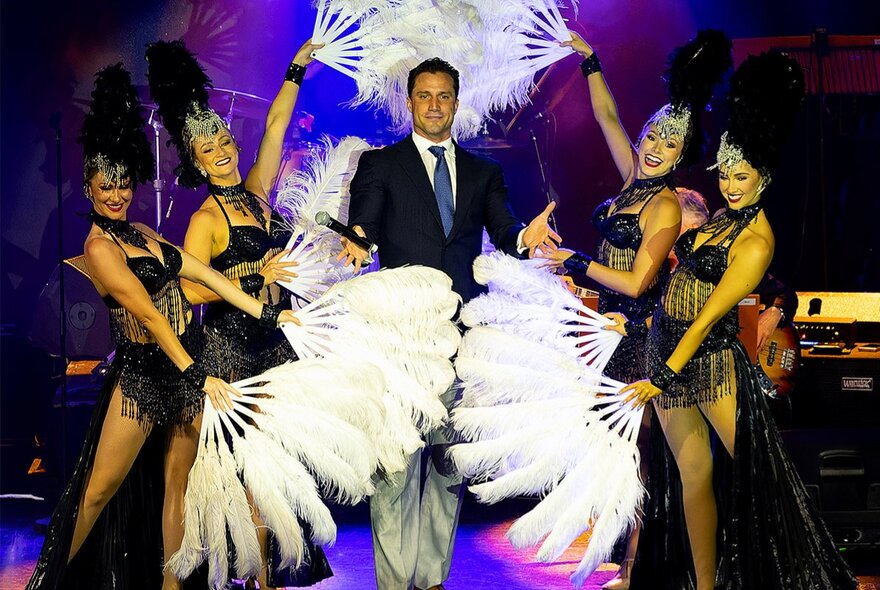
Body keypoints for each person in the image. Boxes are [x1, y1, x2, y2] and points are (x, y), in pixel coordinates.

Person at [27, 64, 298, 590]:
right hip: (144, 375)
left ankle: (172, 585)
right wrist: (198, 373)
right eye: (106, 187)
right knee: (100, 489)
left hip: (184, 368)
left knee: (176, 484)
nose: (116, 196)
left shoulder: (145, 233)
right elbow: (149, 314)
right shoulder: (99, 248)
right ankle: (52, 580)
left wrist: (268, 310)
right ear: (88, 187)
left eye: (124, 185)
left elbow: (203, 277)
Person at [619, 52, 856, 590]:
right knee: (691, 478)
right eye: (724, 173)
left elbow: (707, 318)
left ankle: (790, 578)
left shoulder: (756, 241)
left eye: (740, 177)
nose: (728, 184)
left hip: (708, 363)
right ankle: (703, 584)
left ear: (764, 177)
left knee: (758, 477)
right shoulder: (722, 216)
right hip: (664, 347)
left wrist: (663, 372)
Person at [339, 57, 560, 590]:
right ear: (410, 101)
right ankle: (395, 584)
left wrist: (525, 240)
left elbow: (505, 230)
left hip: (460, 335)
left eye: (444, 96)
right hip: (399, 336)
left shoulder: (485, 172)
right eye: (424, 95)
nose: (434, 105)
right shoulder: (381, 164)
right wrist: (357, 239)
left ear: (455, 104)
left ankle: (433, 579)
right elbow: (364, 221)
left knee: (446, 463)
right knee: (395, 464)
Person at [541, 31, 732, 589]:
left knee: (643, 460)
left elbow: (639, 279)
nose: (652, 148)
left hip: (644, 335)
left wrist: (576, 262)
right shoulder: (632, 180)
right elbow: (606, 116)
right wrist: (590, 59)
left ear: (680, 157)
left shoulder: (667, 203)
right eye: (650, 136)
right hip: (611, 332)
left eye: (667, 147)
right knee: (622, 457)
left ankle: (635, 569)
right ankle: (633, 562)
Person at [145, 39, 331, 589]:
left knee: (268, 473)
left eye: (224, 139)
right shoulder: (205, 217)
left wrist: (297, 65)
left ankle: (265, 578)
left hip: (276, 347)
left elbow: (275, 125)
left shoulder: (255, 193)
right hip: (231, 354)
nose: (222, 149)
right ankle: (206, 577)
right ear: (197, 161)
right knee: (228, 473)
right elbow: (190, 293)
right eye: (209, 148)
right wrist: (256, 277)